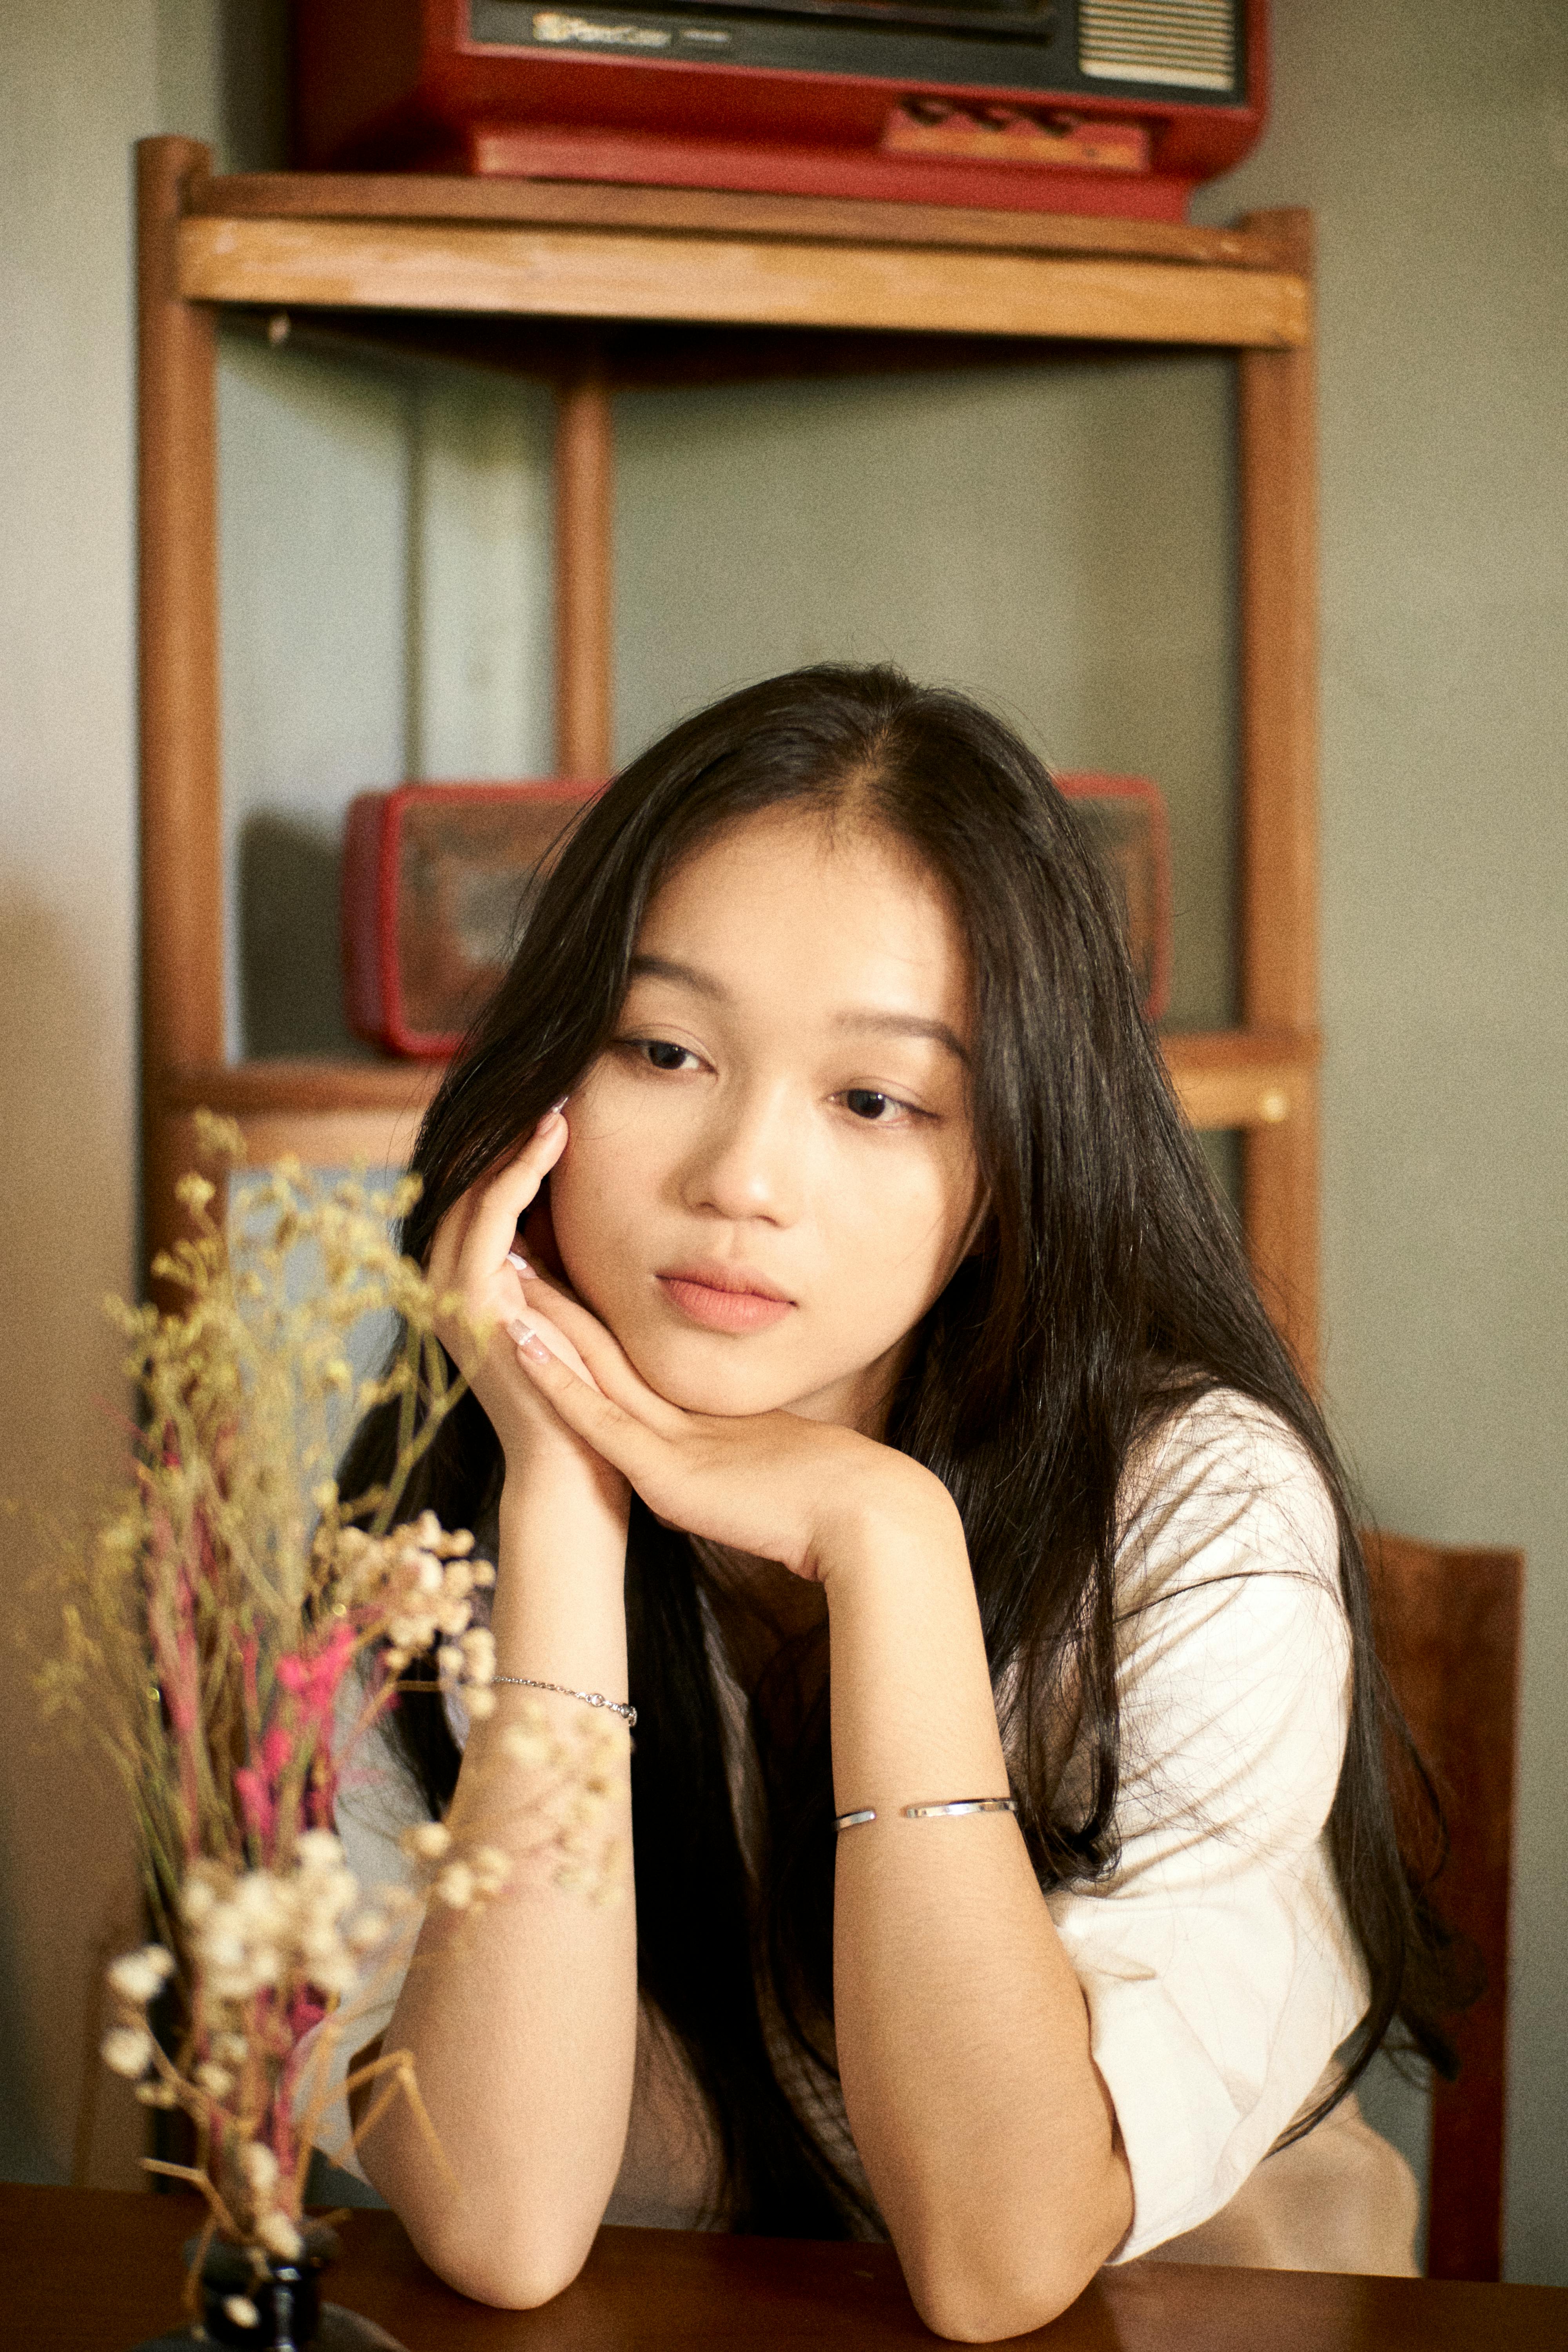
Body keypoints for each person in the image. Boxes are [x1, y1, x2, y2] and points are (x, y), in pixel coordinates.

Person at [327, 664, 1450, 2340]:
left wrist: (887, 1545)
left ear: (1011, 1160)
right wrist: (563, 1503)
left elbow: (1003, 2261)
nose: (738, 1182)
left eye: (873, 1100)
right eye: (661, 1048)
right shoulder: (448, 1504)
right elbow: (502, 2223)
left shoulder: (1197, 1518)